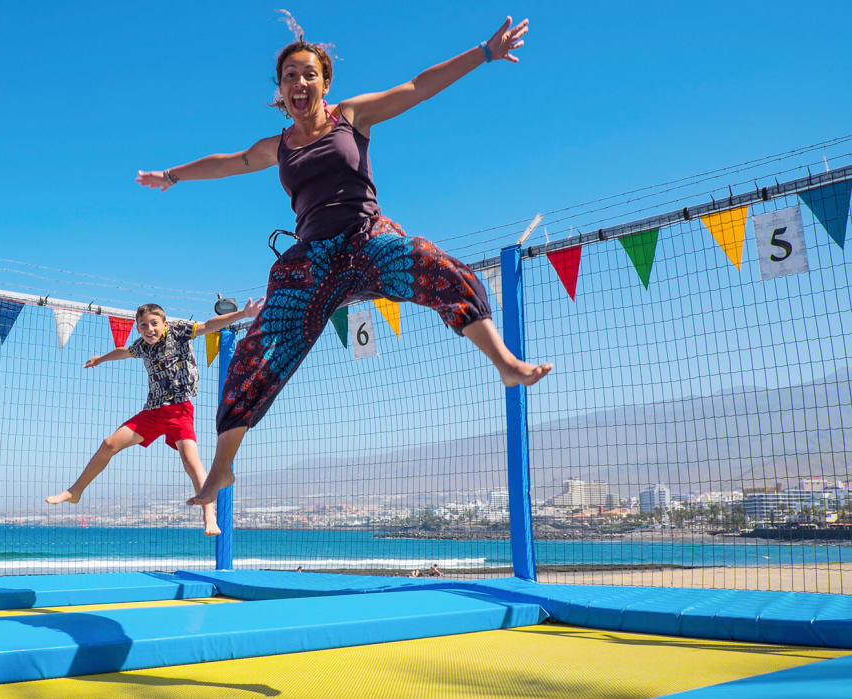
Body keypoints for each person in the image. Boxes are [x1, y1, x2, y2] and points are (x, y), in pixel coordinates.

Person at [136, 12, 551, 508]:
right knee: (255, 353)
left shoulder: (351, 118)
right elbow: (229, 163)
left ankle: (505, 363)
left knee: (437, 266)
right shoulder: (278, 146)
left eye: (309, 73)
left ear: (324, 82)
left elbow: (417, 86)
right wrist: (172, 175)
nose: (299, 82)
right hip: (312, 262)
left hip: (366, 239)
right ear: (281, 91)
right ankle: (220, 471)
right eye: (290, 75)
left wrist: (483, 52)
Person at [45, 300, 262, 535]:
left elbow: (209, 325)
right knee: (109, 443)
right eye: (143, 326)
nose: (149, 329)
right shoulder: (142, 346)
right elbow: (124, 352)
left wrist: (243, 314)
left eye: (154, 324)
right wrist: (101, 358)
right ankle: (75, 491)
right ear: (138, 329)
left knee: (191, 463)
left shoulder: (178, 332)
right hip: (152, 411)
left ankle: (209, 516)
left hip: (180, 411)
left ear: (165, 324)